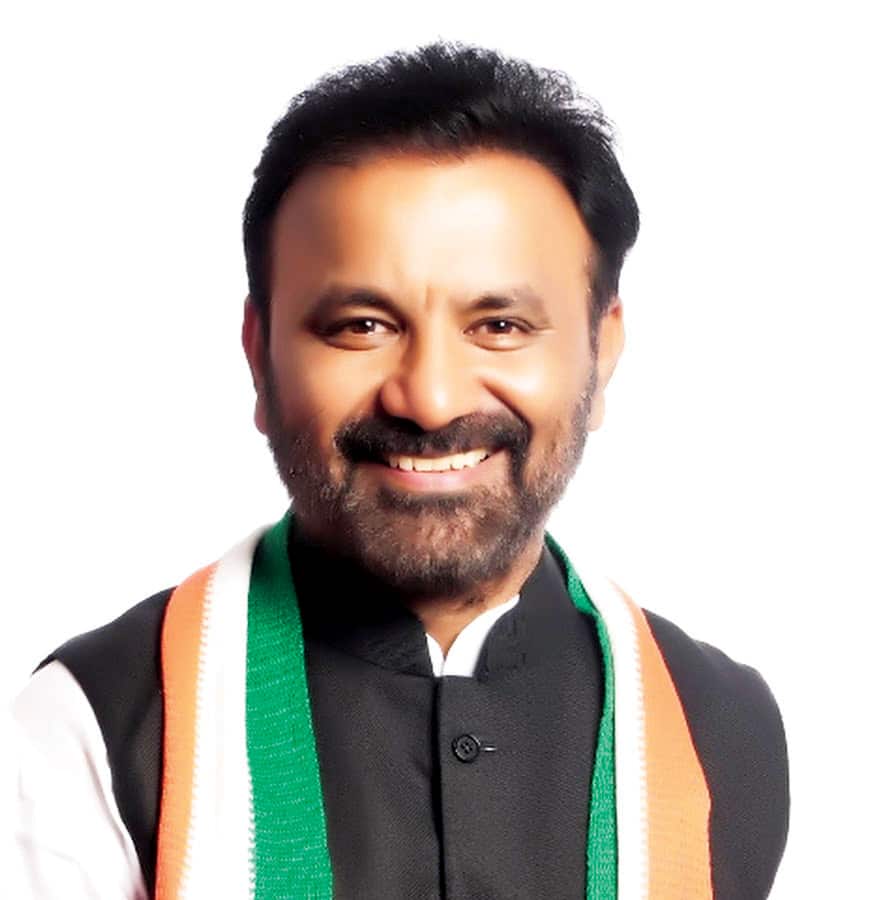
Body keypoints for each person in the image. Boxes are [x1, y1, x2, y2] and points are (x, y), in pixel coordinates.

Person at [11, 40, 789, 899]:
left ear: (601, 355)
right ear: (260, 358)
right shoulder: (91, 728)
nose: (430, 398)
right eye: (362, 326)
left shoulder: (725, 729)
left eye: (500, 326)